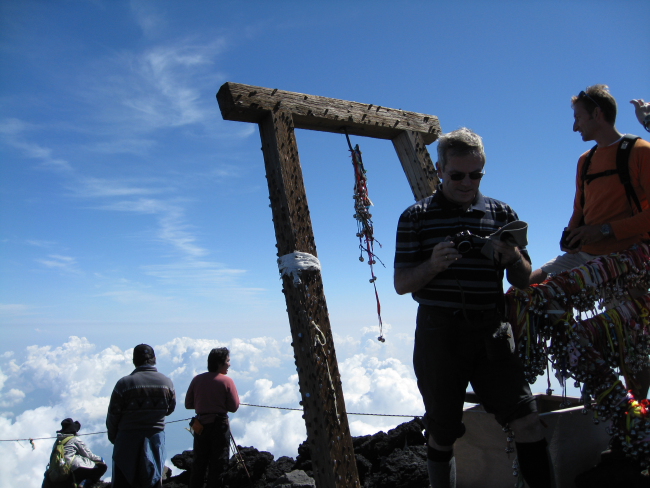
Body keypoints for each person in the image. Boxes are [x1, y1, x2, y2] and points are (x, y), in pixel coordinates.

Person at [393, 127, 552, 488]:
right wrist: (433, 265)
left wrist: (513, 257)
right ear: (439, 169)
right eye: (458, 175)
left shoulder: (501, 213)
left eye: (476, 174)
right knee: (443, 429)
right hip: (439, 335)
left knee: (526, 419)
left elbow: (523, 279)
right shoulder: (416, 217)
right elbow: (402, 284)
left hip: (491, 332)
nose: (468, 182)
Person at [530, 85, 650, 286]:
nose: (575, 127)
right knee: (524, 290)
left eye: (577, 117)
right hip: (584, 254)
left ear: (597, 113)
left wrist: (604, 230)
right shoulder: (585, 160)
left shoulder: (641, 151)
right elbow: (580, 209)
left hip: (628, 256)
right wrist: (571, 236)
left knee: (620, 317)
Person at [106, 344, 176, 488]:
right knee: (153, 478)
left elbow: (113, 415)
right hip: (155, 438)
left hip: (126, 440)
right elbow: (170, 409)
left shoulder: (124, 384)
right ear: (154, 359)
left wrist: (114, 437)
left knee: (124, 481)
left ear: (134, 360)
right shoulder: (166, 382)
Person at [185, 347, 240, 488]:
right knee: (219, 463)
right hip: (219, 426)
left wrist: (204, 405)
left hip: (200, 425)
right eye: (228, 361)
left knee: (199, 462)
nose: (229, 364)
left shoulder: (197, 379)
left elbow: (188, 404)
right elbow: (233, 407)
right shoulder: (227, 381)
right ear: (220, 363)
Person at [42, 418, 107, 488]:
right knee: (102, 467)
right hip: (73, 467)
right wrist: (101, 459)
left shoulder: (57, 442)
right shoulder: (75, 440)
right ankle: (84, 483)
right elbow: (89, 455)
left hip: (57, 470)